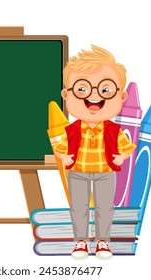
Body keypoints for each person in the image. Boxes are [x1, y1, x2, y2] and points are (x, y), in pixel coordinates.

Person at [53, 45, 136, 259]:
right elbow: (60, 149)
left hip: (105, 172)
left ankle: (103, 241)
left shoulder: (113, 130)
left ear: (122, 96)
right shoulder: (71, 130)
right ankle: (80, 240)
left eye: (106, 89)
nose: (93, 97)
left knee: (104, 207)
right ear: (66, 95)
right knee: (78, 207)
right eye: (82, 89)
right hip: (78, 171)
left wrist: (121, 156)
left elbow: (127, 148)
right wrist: (64, 156)